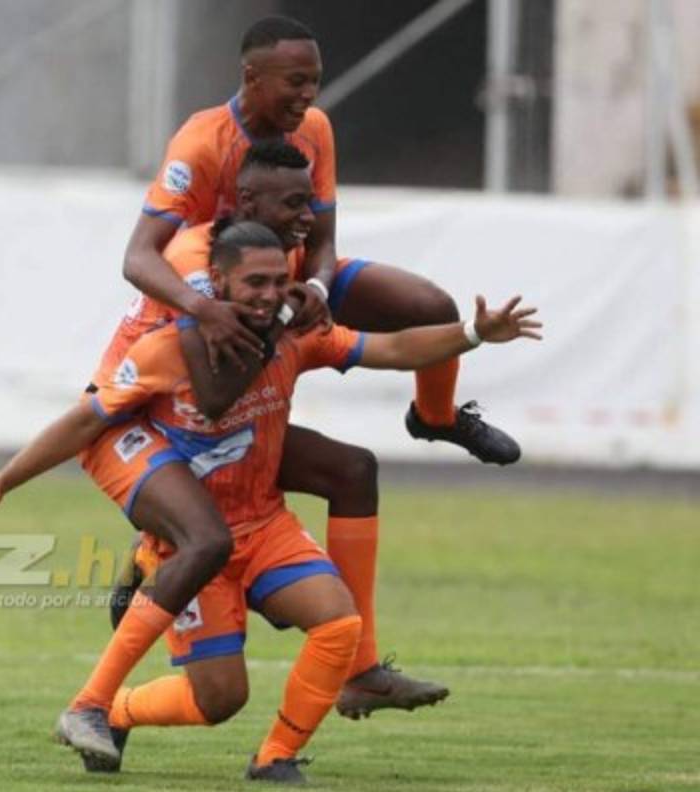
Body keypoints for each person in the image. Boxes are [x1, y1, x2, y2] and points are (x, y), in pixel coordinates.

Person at [0, 221, 540, 784]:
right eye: (255, 282)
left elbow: (392, 349)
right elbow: (83, 422)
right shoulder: (167, 350)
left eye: (279, 281)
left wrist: (473, 335)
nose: (270, 295)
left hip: (263, 524)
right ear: (218, 283)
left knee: (338, 622)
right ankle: (115, 705)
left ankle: (276, 758)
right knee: (219, 701)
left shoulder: (297, 336)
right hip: (198, 542)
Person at [112, 16, 521, 715]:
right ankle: (156, 558)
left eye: (315, 81)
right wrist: (206, 309)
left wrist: (320, 291)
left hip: (290, 288)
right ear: (252, 78)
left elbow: (323, 238)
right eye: (296, 81)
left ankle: (437, 417)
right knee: (274, 463)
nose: (309, 95)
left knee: (430, 308)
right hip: (220, 320)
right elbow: (138, 257)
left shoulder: (315, 132)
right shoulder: (200, 143)